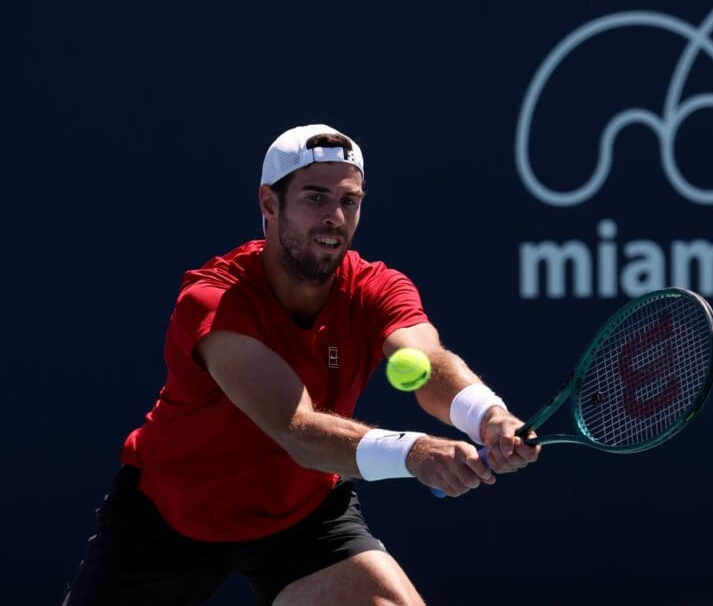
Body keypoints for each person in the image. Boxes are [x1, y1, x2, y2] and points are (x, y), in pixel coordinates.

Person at [63, 123, 541, 605]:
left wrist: (488, 416)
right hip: (170, 518)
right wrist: (414, 452)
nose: (335, 217)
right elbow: (295, 430)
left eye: (348, 201)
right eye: (315, 198)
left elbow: (426, 361)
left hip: (303, 520)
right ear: (269, 204)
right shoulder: (214, 301)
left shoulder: (378, 288)